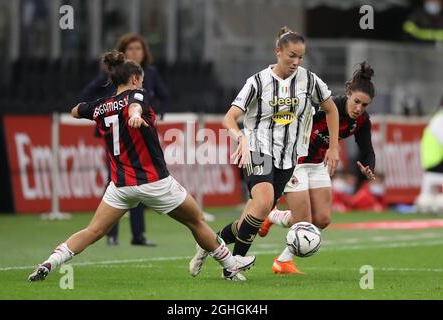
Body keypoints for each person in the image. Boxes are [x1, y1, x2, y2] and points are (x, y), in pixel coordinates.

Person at [28, 51, 255, 282]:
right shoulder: (137, 94)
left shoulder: (102, 106)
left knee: (93, 231)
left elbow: (76, 111)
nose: (143, 83)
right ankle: (229, 265)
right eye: (142, 78)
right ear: (135, 78)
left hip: (120, 186)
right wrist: (135, 115)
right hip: (154, 182)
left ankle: (50, 262)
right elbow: (135, 105)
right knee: (196, 220)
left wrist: (93, 109)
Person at [189, 26, 340, 281]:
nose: (296, 62)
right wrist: (241, 139)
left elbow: (331, 109)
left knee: (255, 216)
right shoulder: (257, 82)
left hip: (289, 157)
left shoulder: (309, 80)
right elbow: (229, 118)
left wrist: (334, 147)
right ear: (278, 51)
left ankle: (210, 244)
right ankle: (232, 266)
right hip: (258, 149)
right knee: (261, 203)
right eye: (291, 55)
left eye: (300, 57)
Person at [258, 62, 377, 274]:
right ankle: (273, 219)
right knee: (304, 220)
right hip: (294, 162)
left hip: (317, 165)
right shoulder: (327, 106)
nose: (359, 108)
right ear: (348, 93)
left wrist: (369, 167)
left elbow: (367, 150)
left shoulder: (361, 121)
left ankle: (282, 258)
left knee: (322, 219)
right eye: (357, 101)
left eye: (365, 105)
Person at [79, 33, 169, 247]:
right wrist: (101, 109)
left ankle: (138, 235)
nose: (134, 52)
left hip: (141, 134)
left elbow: (164, 95)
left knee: (136, 181)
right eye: (130, 49)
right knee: (117, 179)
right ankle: (110, 233)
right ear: (123, 52)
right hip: (118, 135)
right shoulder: (113, 75)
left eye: (138, 48)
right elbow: (87, 93)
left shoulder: (151, 74)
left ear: (144, 52)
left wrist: (156, 113)